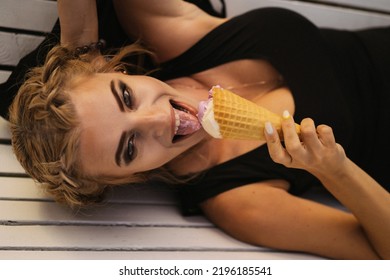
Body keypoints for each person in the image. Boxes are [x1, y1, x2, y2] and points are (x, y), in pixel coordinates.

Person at [6, 0, 390, 259]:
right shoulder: (237, 199)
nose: (159, 120)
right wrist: (335, 170)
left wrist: (78, 48)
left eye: (125, 96)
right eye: (129, 149)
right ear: (127, 177)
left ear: (114, 70)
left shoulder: (168, 29)